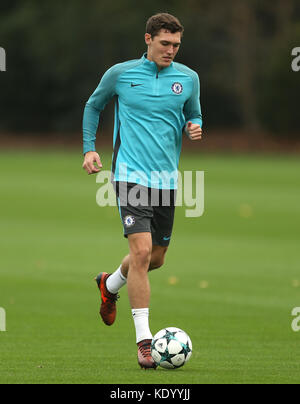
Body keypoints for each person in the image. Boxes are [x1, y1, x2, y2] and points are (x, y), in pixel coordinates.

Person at [82, 13, 203, 369]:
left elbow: (194, 114)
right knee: (141, 251)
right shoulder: (120, 74)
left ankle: (110, 285)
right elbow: (94, 105)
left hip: (167, 182)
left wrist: (195, 126)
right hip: (130, 176)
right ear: (148, 39)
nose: (171, 51)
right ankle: (144, 342)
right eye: (165, 43)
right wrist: (90, 147)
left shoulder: (189, 78)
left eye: (176, 45)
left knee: (155, 259)